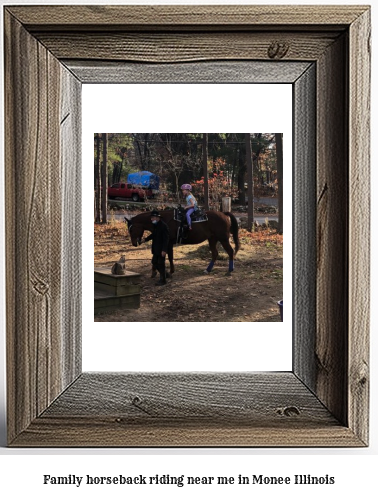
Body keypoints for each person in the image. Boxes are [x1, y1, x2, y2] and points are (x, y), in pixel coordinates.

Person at [143, 209, 169, 286]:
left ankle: (163, 280)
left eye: (153, 218)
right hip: (156, 248)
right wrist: (145, 239)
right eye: (151, 218)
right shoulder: (156, 226)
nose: (152, 219)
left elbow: (166, 239)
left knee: (161, 263)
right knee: (154, 262)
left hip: (161, 249)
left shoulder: (164, 226)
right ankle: (165, 274)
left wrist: (164, 250)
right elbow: (153, 235)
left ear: (158, 218)